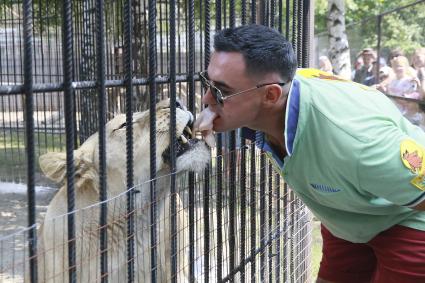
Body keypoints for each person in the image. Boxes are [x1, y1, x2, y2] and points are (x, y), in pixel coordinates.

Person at [200, 24, 425, 283]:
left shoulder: (357, 141)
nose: (206, 99)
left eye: (221, 91)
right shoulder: (273, 106)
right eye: (206, 82)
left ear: (271, 95)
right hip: (348, 216)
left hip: (407, 218)